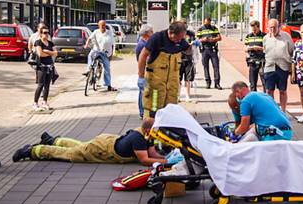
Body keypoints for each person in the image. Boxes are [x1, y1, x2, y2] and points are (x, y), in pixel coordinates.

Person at [12, 120, 180, 166]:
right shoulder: (138, 138)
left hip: (106, 141)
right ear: (148, 130)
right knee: (71, 154)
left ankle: (52, 140)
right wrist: (165, 162)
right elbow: (145, 160)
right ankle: (33, 150)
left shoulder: (145, 135)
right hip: (102, 150)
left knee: (80, 145)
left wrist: (167, 157)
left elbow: (152, 154)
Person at [137, 21, 190, 120]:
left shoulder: (180, 41)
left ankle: (167, 130)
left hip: (171, 87)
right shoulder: (157, 38)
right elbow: (143, 55)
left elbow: (188, 49)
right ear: (171, 33)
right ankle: (150, 129)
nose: (179, 41)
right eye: (178, 38)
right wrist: (140, 76)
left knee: (171, 110)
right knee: (153, 109)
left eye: (181, 38)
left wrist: (194, 46)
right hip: (155, 86)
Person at [263, 18, 294, 112]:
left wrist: (292, 69)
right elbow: (265, 51)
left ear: (279, 27)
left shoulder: (286, 36)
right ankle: (271, 110)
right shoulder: (265, 38)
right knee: (269, 90)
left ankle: (283, 111)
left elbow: (292, 51)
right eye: (270, 27)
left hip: (283, 67)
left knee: (282, 91)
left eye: (274, 27)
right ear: (268, 27)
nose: (272, 29)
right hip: (269, 67)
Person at [84, 20, 117, 92]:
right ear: (99, 26)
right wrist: (86, 44)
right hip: (96, 50)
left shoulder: (109, 33)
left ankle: (108, 85)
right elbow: (89, 38)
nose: (103, 27)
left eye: (104, 25)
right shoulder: (96, 31)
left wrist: (111, 54)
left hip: (105, 52)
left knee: (107, 68)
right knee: (90, 55)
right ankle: (88, 70)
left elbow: (112, 44)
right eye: (101, 25)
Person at [33, 27, 58, 111]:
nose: (46, 34)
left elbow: (56, 53)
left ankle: (44, 102)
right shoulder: (38, 42)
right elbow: (40, 54)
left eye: (47, 32)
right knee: (40, 85)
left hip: (50, 66)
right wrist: (51, 53)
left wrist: (47, 51)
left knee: (47, 85)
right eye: (44, 32)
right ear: (40, 33)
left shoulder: (51, 43)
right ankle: (35, 103)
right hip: (41, 67)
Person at [135, 24, 154, 118]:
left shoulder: (142, 43)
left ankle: (142, 112)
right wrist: (141, 73)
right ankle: (143, 113)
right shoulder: (143, 45)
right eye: (151, 32)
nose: (153, 33)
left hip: (143, 73)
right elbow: (141, 60)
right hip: (144, 73)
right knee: (144, 94)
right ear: (147, 33)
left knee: (141, 93)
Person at [197, 17, 222, 89]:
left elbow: (220, 37)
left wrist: (213, 39)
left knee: (216, 67)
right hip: (204, 50)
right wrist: (203, 39)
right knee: (205, 67)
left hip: (213, 50)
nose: (207, 24)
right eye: (205, 22)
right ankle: (208, 83)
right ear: (203, 22)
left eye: (208, 22)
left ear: (210, 22)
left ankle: (217, 83)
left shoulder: (214, 28)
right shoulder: (200, 29)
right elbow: (198, 39)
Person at [244, 20, 266, 91]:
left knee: (265, 82)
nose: (254, 31)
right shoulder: (248, 36)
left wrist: (259, 48)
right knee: (252, 83)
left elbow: (268, 48)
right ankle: (254, 99)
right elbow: (244, 48)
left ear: (258, 27)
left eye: (255, 29)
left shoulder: (264, 36)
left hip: (262, 61)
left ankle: (266, 99)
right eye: (252, 29)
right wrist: (248, 48)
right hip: (252, 61)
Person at [179, 21, 197, 102]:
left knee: (188, 78)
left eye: (185, 25)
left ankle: (187, 96)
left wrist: (194, 43)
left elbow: (195, 42)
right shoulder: (177, 33)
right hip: (179, 58)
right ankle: (177, 96)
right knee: (178, 79)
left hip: (189, 58)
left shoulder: (191, 33)